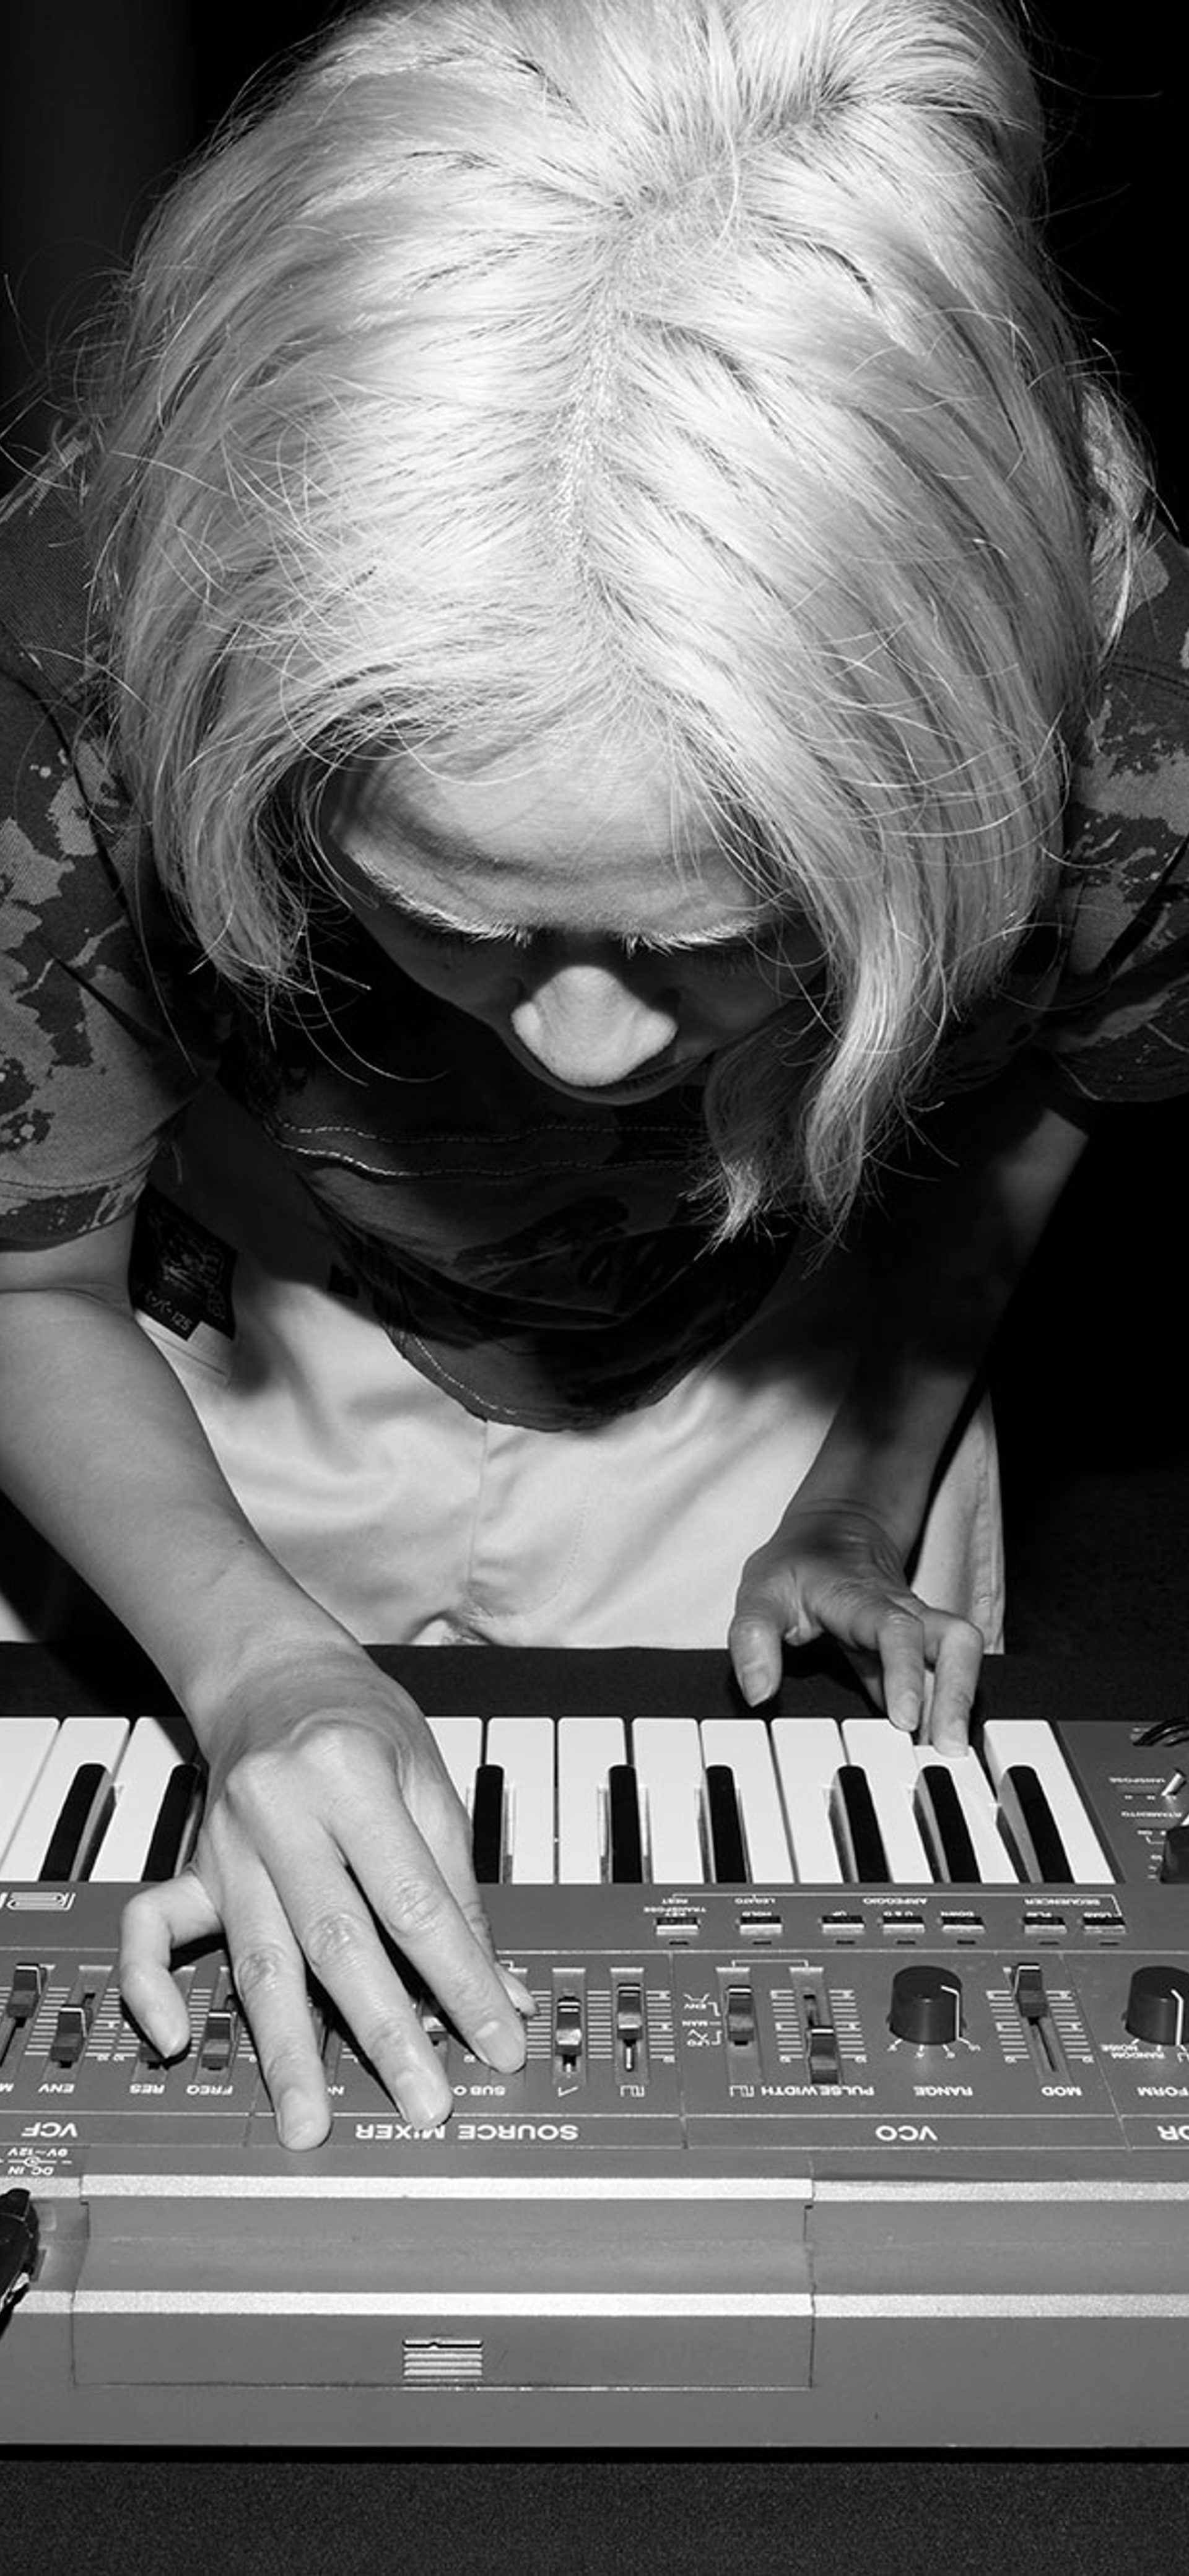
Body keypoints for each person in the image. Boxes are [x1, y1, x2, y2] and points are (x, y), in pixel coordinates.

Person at [1, 0, 1185, 2151]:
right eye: (447, 913)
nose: (582, 1053)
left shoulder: (1124, 710)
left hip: (790, 1341)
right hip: (233, 1339)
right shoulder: (70, 632)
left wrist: (861, 1483)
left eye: (719, 936)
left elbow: (1046, 1080)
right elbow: (22, 1273)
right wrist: (254, 1658)